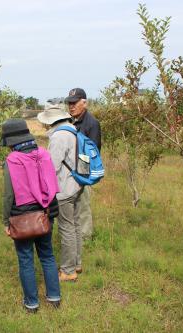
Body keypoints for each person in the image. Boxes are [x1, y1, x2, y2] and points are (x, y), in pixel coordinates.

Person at [1, 118, 61, 313]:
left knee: (26, 259)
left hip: (21, 218)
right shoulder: (44, 154)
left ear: (11, 142)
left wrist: (5, 221)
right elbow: (50, 183)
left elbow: (9, 195)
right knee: (48, 255)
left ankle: (32, 304)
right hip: (45, 214)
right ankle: (54, 298)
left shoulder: (12, 161)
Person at [37, 103, 82, 282]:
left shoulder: (59, 137)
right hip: (77, 184)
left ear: (51, 121)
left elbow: (52, 167)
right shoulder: (72, 130)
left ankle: (68, 270)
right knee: (75, 225)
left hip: (64, 188)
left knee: (66, 228)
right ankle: (76, 263)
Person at [64, 88, 101, 241]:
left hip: (82, 173)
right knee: (70, 206)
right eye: (69, 103)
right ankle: (73, 236)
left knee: (83, 206)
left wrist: (83, 176)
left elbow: (94, 151)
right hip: (69, 171)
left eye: (75, 103)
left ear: (84, 103)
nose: (71, 106)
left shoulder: (92, 123)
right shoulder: (69, 121)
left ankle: (85, 238)